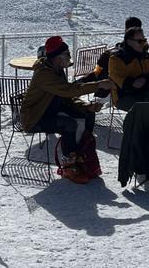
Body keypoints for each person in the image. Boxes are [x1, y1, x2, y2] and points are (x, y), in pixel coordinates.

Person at [20, 36, 114, 170]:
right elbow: (68, 91)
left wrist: (87, 106)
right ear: (58, 58)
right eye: (67, 54)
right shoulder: (44, 74)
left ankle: (82, 151)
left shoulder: (56, 70)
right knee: (69, 124)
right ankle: (69, 162)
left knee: (88, 114)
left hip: (52, 109)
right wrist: (98, 85)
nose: (70, 57)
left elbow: (66, 97)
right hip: (35, 117)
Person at [108, 26, 149, 110]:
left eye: (144, 40)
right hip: (123, 97)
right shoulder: (117, 59)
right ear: (129, 42)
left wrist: (144, 79)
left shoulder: (146, 57)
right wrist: (138, 82)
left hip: (145, 93)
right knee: (147, 106)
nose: (143, 44)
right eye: (140, 41)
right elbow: (125, 85)